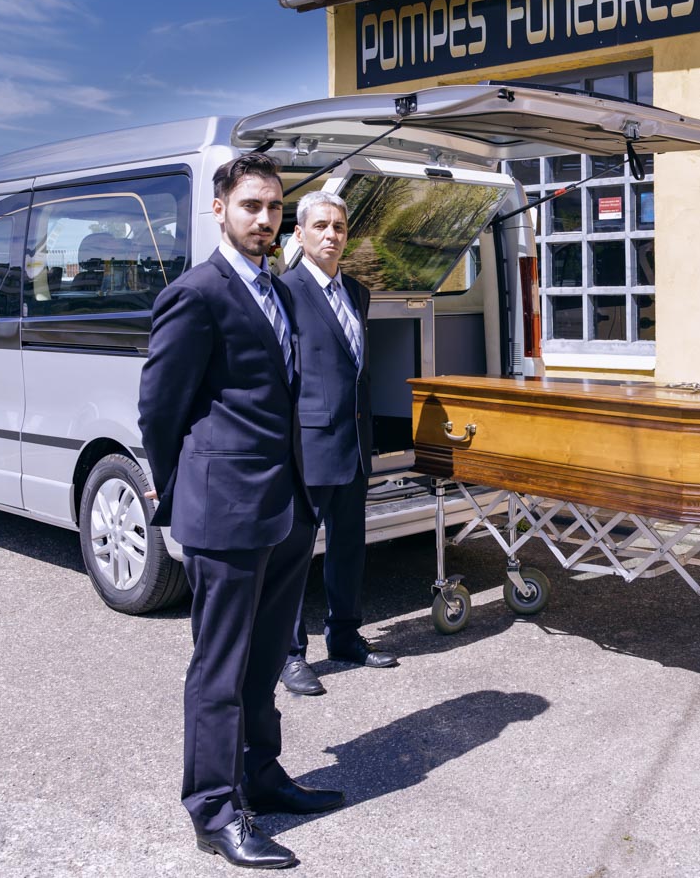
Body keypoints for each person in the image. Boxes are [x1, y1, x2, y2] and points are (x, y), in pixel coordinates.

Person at [138, 154, 343, 869]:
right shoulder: (197, 294)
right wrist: (179, 486)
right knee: (220, 668)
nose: (265, 219)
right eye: (251, 205)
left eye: (274, 207)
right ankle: (215, 810)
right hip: (224, 508)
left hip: (286, 505)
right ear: (220, 209)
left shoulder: (278, 290)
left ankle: (260, 774)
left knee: (264, 659)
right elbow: (159, 408)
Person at [280, 190, 398, 697]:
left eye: (339, 227)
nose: (331, 234)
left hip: (353, 443)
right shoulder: (284, 292)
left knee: (348, 549)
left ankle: (345, 637)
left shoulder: (357, 291)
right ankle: (289, 655)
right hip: (307, 447)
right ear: (300, 234)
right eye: (321, 226)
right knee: (292, 556)